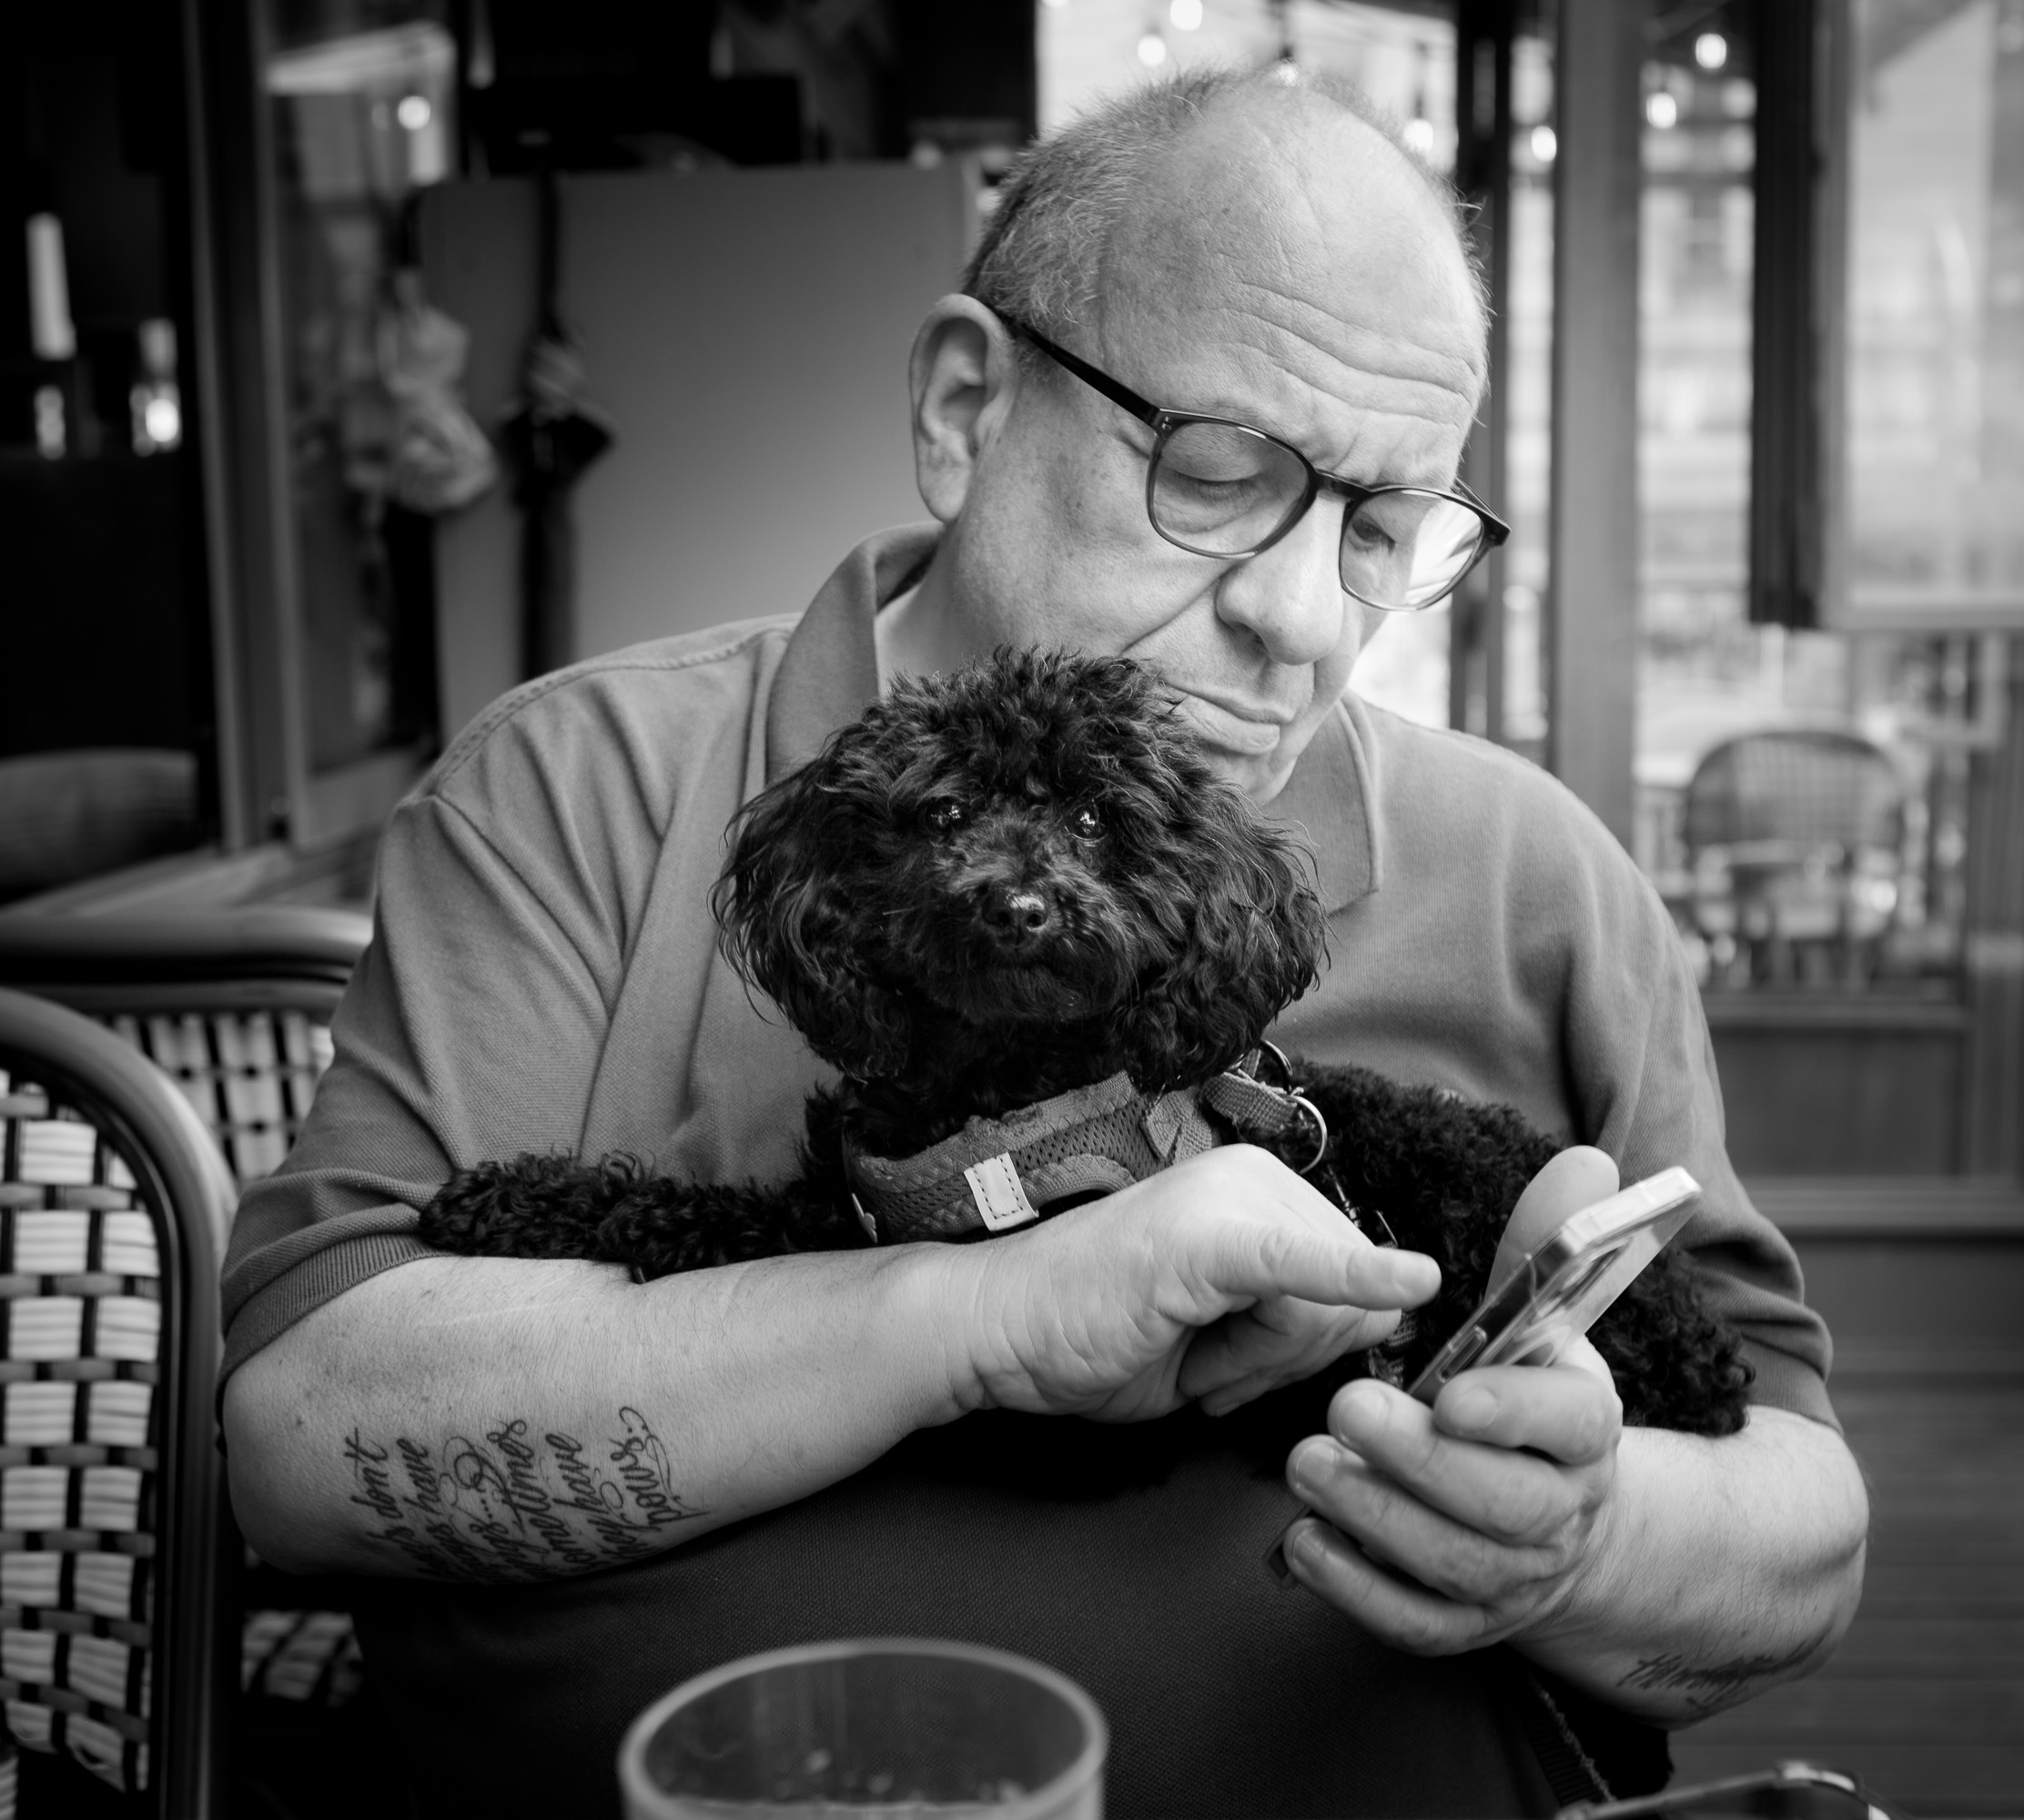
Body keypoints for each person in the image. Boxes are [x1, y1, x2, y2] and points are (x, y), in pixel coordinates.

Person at [220, 66, 1868, 1816]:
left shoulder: (1537, 878)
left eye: (1383, 531)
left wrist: (1578, 1540)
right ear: (965, 409)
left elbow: (1802, 1540)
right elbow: (302, 1445)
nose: (1303, 620)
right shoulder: (581, 789)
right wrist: (971, 1316)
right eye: (1219, 474)